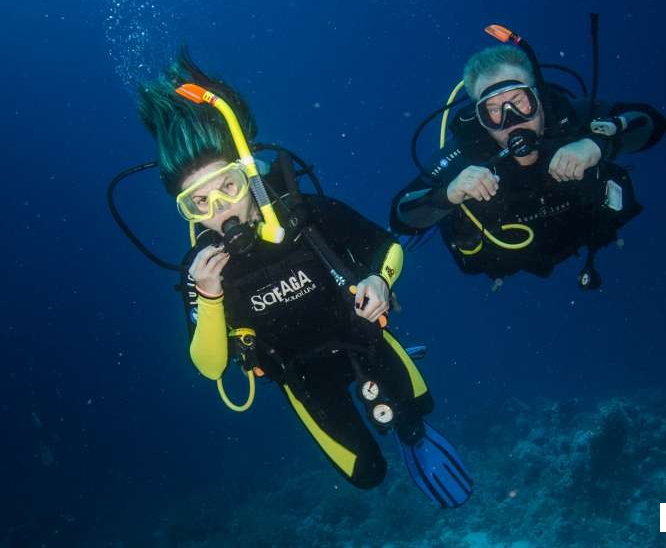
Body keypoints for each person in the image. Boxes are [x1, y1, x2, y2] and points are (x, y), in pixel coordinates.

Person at [135, 51, 472, 507]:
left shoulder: (305, 214)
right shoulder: (200, 270)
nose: (222, 211)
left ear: (249, 173)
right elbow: (211, 367)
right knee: (366, 474)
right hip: (301, 376)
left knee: (414, 419)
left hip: (362, 340)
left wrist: (379, 282)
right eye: (200, 204)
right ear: (187, 212)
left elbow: (386, 247)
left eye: (229, 187)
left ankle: (414, 435)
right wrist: (209, 296)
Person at [390, 40, 666, 288]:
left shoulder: (572, 119)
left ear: (538, 98)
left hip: (587, 231)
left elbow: (651, 122)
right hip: (511, 261)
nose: (510, 120)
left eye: (518, 101)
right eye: (494, 110)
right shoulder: (466, 154)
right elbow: (401, 216)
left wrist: (596, 144)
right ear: (480, 119)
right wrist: (450, 192)